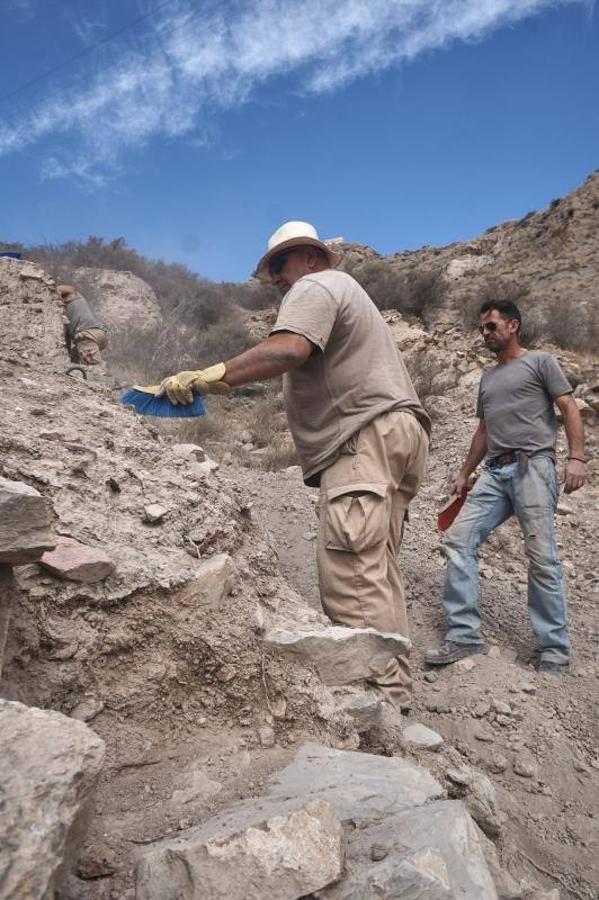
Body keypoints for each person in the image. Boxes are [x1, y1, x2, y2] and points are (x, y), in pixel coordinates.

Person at [157, 221, 431, 711]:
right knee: (375, 569)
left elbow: (288, 349)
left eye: (279, 265)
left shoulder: (316, 285)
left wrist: (210, 376)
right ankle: (397, 693)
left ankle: (378, 703)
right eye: (271, 272)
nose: (277, 279)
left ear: (309, 257)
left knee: (352, 573)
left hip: (363, 439)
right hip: (397, 435)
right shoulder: (347, 294)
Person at [425, 299, 587, 675]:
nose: (484, 333)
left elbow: (569, 407)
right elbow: (484, 431)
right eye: (482, 327)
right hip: (494, 473)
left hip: (534, 466)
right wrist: (464, 473)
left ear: (513, 326)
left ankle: (554, 652)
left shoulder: (541, 361)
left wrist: (577, 458)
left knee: (542, 558)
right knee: (458, 541)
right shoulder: (488, 378)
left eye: (491, 326)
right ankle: (464, 635)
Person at [56, 284, 108, 366]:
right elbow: (67, 337)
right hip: (98, 333)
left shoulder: (73, 295)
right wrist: (67, 355)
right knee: (75, 355)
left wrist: (53, 296)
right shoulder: (65, 314)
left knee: (92, 367)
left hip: (87, 334)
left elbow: (65, 288)